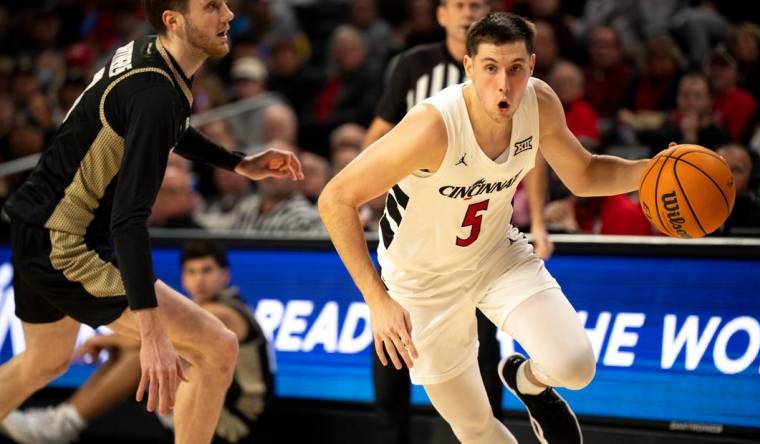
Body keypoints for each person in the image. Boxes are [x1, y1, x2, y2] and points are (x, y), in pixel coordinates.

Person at [318, 12, 652, 444]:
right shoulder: (432, 127)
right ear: (469, 67)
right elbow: (335, 198)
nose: (504, 83)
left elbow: (584, 174)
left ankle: (529, 381)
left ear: (531, 65)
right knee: (474, 426)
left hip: (496, 255)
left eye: (516, 69)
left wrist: (652, 169)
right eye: (491, 67)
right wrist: (377, 300)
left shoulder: (540, 102)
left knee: (575, 366)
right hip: (422, 283)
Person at [0, 1, 302, 443]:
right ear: (174, 20)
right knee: (215, 348)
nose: (228, 15)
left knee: (44, 362)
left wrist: (236, 163)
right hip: (66, 242)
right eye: (212, 7)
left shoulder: (150, 55)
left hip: (36, 224)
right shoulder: (155, 91)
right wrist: (152, 332)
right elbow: (129, 220)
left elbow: (167, 123)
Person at [362, 2, 531, 442]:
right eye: (457, 4)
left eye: (475, 4)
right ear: (440, 15)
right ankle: (389, 433)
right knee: (395, 342)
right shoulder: (414, 66)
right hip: (417, 227)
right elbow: (378, 136)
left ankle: (482, 430)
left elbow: (541, 146)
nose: (466, 11)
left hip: (477, 228)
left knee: (481, 341)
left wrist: (542, 222)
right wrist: (369, 186)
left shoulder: (515, 83)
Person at [1, 241, 276, 444]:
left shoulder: (226, 312)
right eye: (192, 272)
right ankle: (61, 422)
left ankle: (61, 425)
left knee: (142, 353)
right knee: (144, 350)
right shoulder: (207, 310)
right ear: (183, 278)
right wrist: (112, 343)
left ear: (225, 276)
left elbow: (159, 337)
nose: (199, 279)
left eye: (207, 270)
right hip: (209, 405)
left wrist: (105, 341)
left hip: (236, 422)